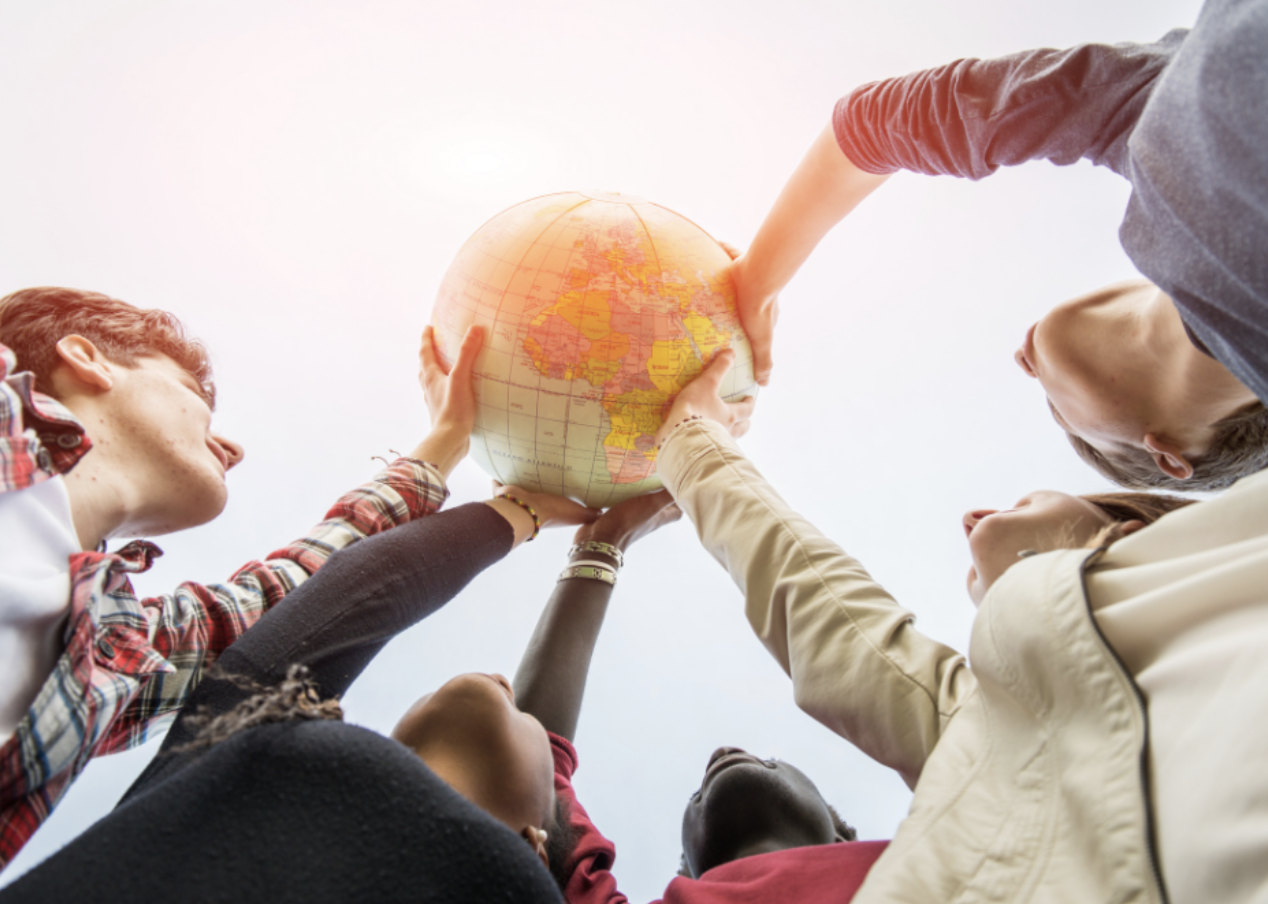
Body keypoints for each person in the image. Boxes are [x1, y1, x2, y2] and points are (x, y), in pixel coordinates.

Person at [651, 350, 1268, 903]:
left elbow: (827, 615)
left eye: (1021, 504)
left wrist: (692, 438)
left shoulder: (1239, 554)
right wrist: (691, 441)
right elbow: (833, 624)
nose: (973, 518)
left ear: (1126, 533)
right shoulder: (1006, 734)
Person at [0, 285, 482, 868]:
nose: (231, 447)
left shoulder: (107, 652)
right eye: (189, 390)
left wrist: (446, 443)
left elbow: (288, 597)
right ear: (87, 359)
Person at [729, 0, 1268, 490]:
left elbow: (878, 126)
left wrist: (757, 284)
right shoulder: (1147, 110)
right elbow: (881, 126)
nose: (1025, 364)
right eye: (1060, 414)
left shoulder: (1145, 118)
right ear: (1169, 455)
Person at [0, 474, 598, 903]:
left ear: (536, 848)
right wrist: (524, 512)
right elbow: (355, 594)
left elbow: (358, 598)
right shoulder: (241, 761)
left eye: (528, 721)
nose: (506, 684)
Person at [509, 490, 890, 903]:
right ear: (688, 870)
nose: (721, 753)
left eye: (770, 760)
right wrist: (602, 543)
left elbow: (526, 764)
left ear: (840, 838)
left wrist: (599, 546)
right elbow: (528, 771)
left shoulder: (929, 864)